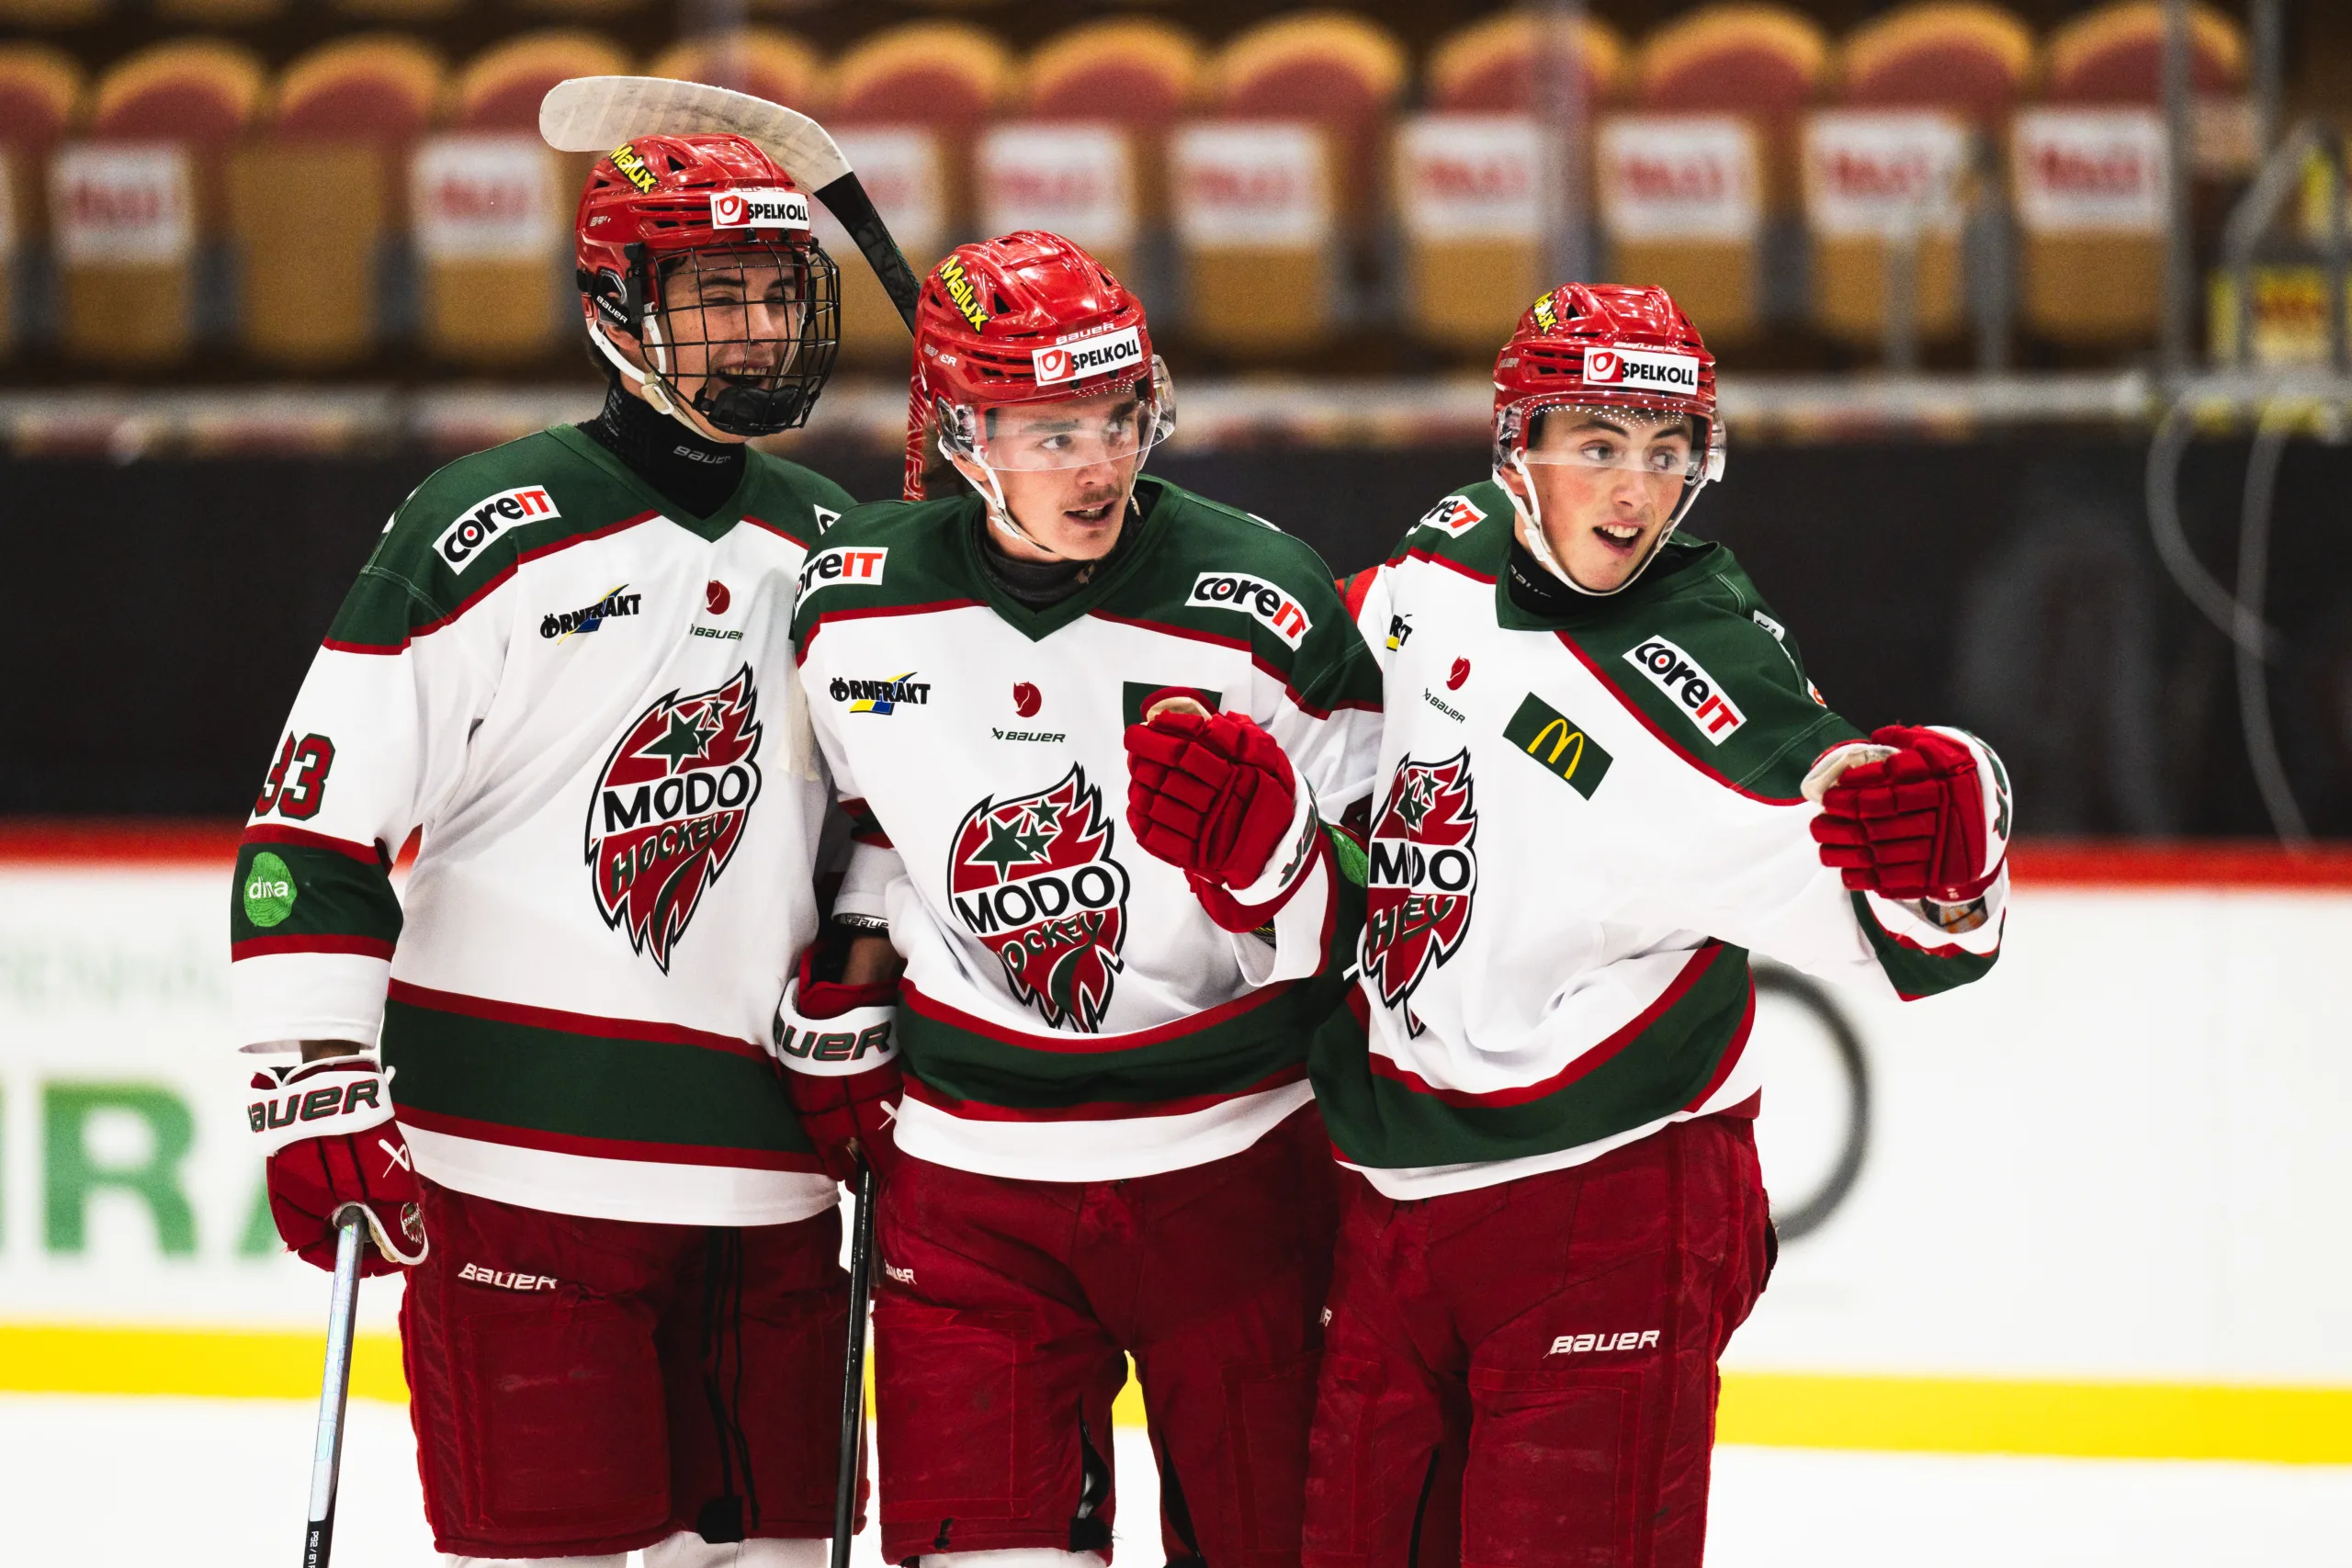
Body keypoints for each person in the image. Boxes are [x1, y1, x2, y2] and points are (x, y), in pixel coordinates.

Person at [1300, 282, 2012, 1567]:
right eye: (1599, 444)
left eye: (1667, 450)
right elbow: (1321, 695)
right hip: (1392, 1198)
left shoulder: (1705, 666)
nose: (1635, 492)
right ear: (1517, 444)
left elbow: (1916, 912)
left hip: (1603, 1201)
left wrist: (1958, 846)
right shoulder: (1444, 555)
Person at [232, 132, 864, 1566]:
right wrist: (311, 1080)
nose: (758, 330)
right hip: (518, 1164)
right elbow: (308, 829)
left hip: (770, 1172)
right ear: (614, 303)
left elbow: (887, 834)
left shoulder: (837, 542)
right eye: (718, 295)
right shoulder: (483, 528)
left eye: (779, 294)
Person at [773, 230, 1382, 1568]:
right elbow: (872, 814)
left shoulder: (1264, 607)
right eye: (1053, 433)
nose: (1101, 465)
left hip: (1236, 1167)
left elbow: (1389, 902)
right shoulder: (849, 606)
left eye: (1118, 419)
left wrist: (1283, 857)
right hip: (972, 1180)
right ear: (962, 435)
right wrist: (859, 954)